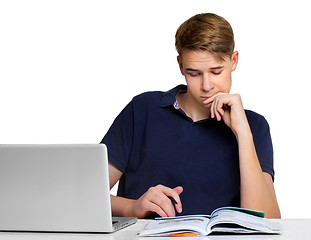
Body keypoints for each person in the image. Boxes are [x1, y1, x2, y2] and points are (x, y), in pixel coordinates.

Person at [101, 13, 281, 219]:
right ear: (180, 66)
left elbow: (269, 220)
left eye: (216, 71)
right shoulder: (142, 110)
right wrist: (131, 208)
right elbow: (86, 196)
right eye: (194, 73)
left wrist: (242, 133)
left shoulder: (254, 126)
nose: (206, 86)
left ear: (234, 61)